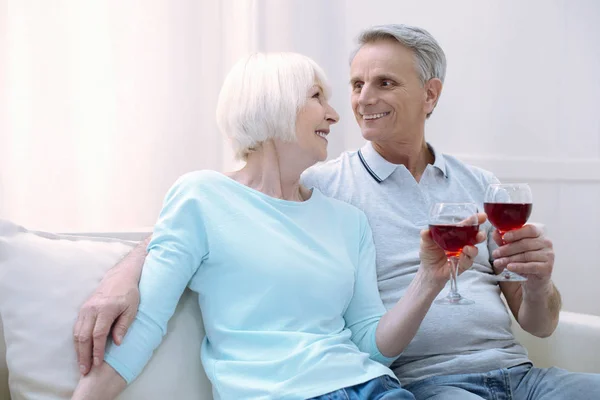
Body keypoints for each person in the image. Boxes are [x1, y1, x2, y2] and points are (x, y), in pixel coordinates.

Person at [75, 24, 600, 399]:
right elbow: (213, 213)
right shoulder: (318, 185)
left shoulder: (471, 188)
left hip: (472, 377)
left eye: (385, 84)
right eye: (351, 86)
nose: (353, 105)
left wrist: (536, 282)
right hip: (428, 383)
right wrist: (126, 270)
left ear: (430, 95)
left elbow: (538, 323)